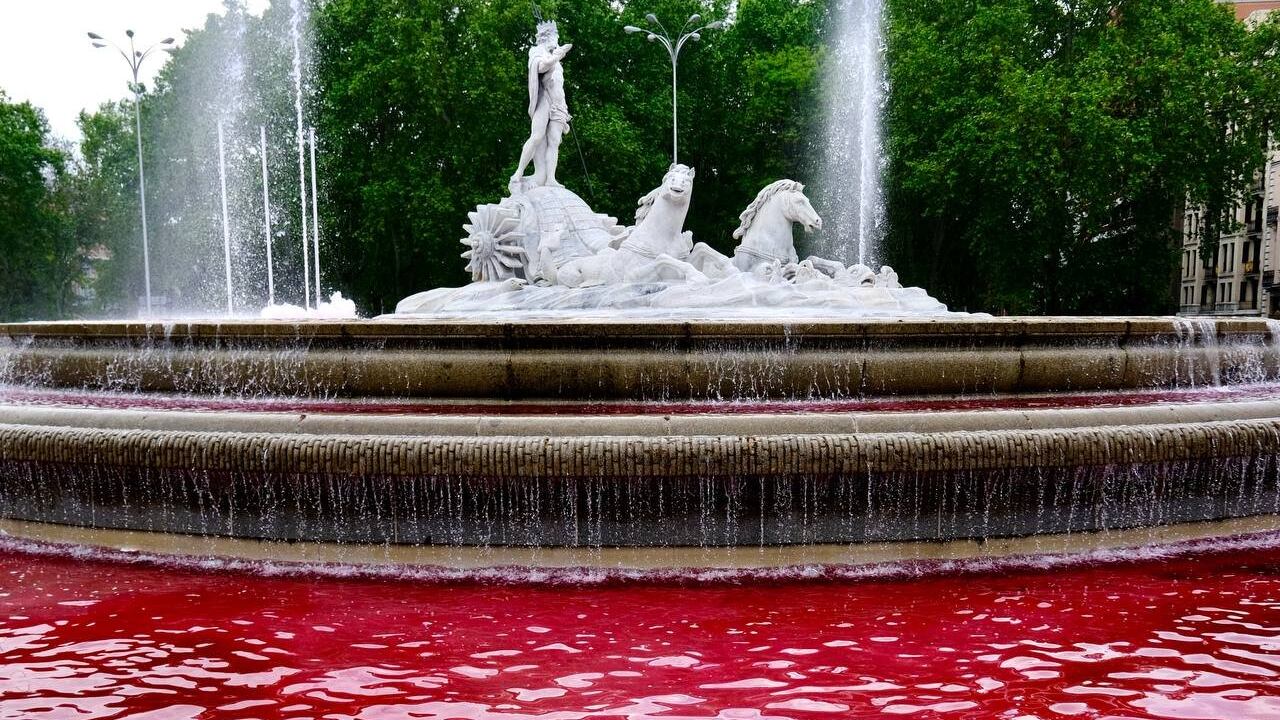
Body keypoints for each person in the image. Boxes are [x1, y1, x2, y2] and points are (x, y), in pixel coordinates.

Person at [510, 20, 573, 190]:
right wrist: (556, 56)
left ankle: (551, 178)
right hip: (544, 99)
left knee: (554, 141)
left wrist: (557, 57)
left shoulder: (557, 59)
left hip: (560, 104)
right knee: (537, 136)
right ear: (548, 37)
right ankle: (518, 172)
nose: (557, 39)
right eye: (556, 36)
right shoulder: (537, 51)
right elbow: (540, 68)